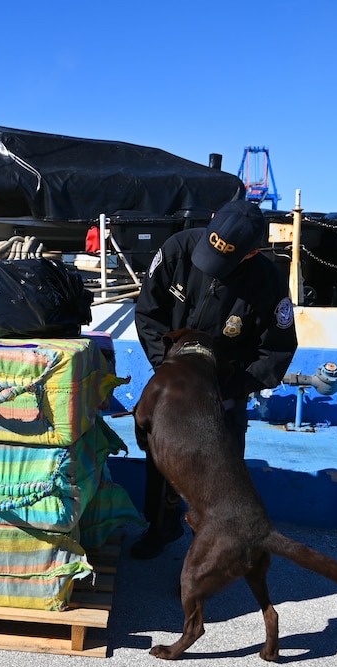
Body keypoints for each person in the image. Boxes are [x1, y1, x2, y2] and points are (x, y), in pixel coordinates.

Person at [130, 199, 298, 559]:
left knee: (217, 479)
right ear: (209, 222)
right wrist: (167, 369)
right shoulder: (177, 250)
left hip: (222, 397)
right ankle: (160, 529)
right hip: (171, 386)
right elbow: (148, 313)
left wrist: (228, 387)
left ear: (251, 254)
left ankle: (206, 555)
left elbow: (276, 354)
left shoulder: (268, 284)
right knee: (161, 465)